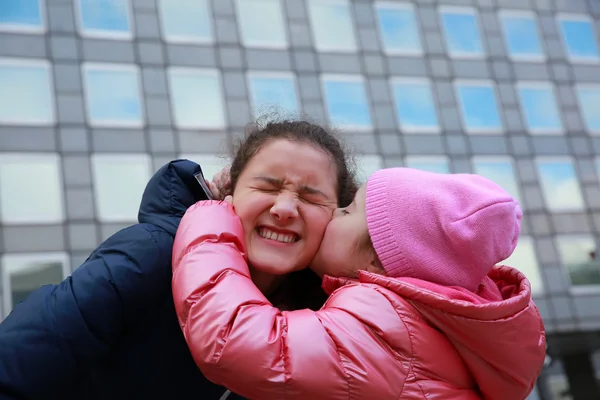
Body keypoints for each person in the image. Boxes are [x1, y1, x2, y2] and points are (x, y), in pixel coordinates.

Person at [0, 120, 357, 399]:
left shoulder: (334, 326)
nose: (283, 209)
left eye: (310, 198)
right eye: (267, 187)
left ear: (338, 217)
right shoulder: (152, 256)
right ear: (229, 193)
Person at [172, 167, 547, 400]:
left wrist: (211, 220)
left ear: (378, 260)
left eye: (349, 210)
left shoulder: (383, 319)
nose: (335, 211)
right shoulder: (430, 322)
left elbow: (236, 340)